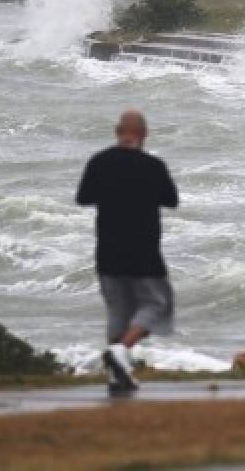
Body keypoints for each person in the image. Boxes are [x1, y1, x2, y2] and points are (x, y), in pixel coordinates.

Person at [76, 109, 179, 394]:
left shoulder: (99, 162)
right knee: (158, 304)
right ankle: (122, 350)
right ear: (144, 135)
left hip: (108, 249)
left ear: (117, 131)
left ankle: (116, 375)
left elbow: (84, 197)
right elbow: (171, 200)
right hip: (143, 250)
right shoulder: (153, 166)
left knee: (118, 312)